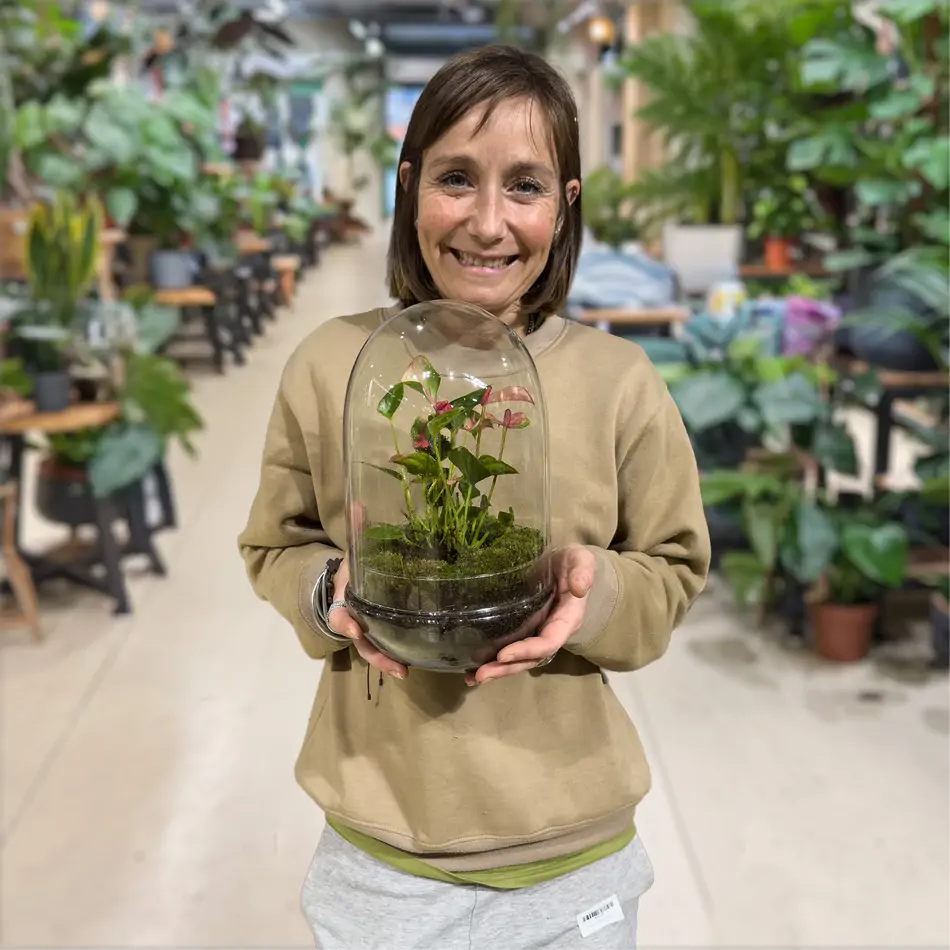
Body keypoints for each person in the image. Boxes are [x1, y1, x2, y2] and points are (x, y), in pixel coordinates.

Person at [238, 44, 710, 950]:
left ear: (565, 205)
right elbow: (276, 545)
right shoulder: (330, 364)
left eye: (526, 186)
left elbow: (673, 570)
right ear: (408, 185)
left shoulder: (618, 378)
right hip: (382, 841)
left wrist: (592, 589)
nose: (488, 223)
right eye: (457, 178)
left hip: (573, 849)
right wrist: (329, 590)